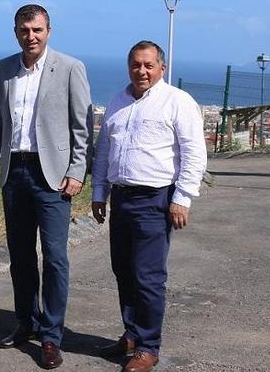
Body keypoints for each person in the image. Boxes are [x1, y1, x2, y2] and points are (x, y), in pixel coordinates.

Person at [0, 4, 93, 370]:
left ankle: (51, 336)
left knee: (56, 259)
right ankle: (25, 321)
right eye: (25, 30)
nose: (31, 36)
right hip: (16, 173)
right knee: (21, 256)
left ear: (49, 30)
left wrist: (77, 171)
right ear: (15, 31)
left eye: (38, 30)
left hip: (54, 177)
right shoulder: (4, 69)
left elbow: (82, 126)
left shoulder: (71, 68)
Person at [90, 40, 207, 372]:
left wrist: (182, 198)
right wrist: (99, 192)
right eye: (135, 65)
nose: (141, 71)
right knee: (123, 271)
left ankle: (148, 347)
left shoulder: (177, 102)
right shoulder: (117, 101)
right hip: (122, 198)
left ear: (162, 68)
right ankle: (131, 334)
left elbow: (194, 153)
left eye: (148, 65)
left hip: (155, 199)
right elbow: (103, 152)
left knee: (148, 277)